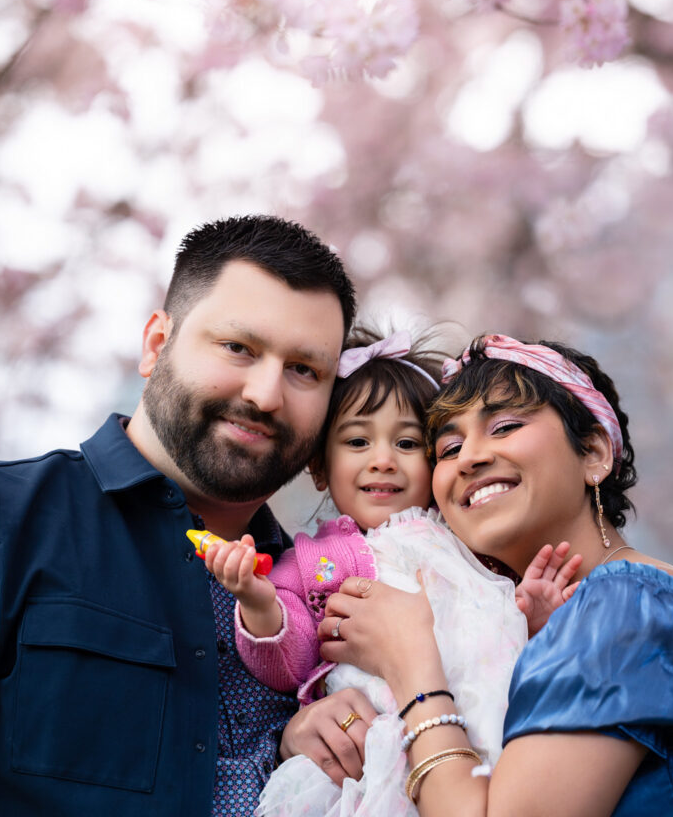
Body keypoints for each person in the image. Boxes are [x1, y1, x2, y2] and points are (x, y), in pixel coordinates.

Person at [0, 214, 358, 817]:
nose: (266, 394)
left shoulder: (329, 597)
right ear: (157, 344)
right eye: (238, 347)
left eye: (303, 370)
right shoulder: (0, 519)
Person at [315, 334, 673, 816]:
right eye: (448, 448)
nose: (469, 458)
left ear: (594, 452)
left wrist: (412, 664)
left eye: (506, 426)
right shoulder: (554, 619)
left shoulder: (625, 607)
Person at [203, 327, 578, 817]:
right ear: (320, 468)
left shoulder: (466, 539)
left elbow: (490, 627)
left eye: (406, 442)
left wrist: (531, 615)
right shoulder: (319, 562)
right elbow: (290, 661)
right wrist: (258, 604)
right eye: (358, 441)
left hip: (484, 725)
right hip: (383, 742)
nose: (382, 461)